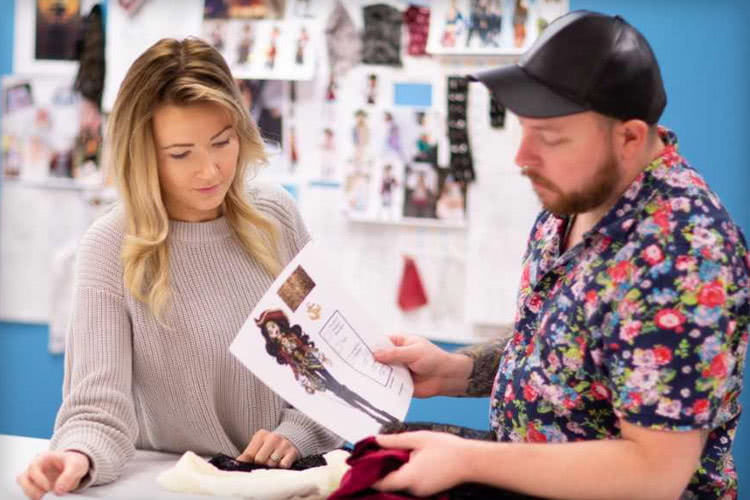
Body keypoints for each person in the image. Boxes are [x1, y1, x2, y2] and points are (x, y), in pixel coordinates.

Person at [373, 11, 749, 500]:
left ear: (630, 137)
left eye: (550, 139)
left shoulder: (685, 254)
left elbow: (654, 472)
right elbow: (559, 342)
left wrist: (468, 458)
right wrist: (455, 370)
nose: (523, 158)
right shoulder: (576, 195)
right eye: (524, 130)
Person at [16, 37, 341, 500]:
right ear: (143, 153)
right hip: (169, 488)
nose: (209, 170)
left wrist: (296, 434)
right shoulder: (110, 247)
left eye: (221, 142)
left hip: (283, 485)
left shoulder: (276, 217)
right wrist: (75, 458)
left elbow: (324, 362)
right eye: (181, 153)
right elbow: (97, 409)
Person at [256, 309, 399, 427]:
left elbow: (305, 347)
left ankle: (375, 412)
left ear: (279, 324)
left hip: (313, 361)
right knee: (337, 393)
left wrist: (320, 355)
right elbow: (293, 366)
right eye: (269, 330)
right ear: (268, 336)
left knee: (341, 389)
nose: (273, 330)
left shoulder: (292, 335)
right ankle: (372, 414)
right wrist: (301, 380)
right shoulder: (280, 349)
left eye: (273, 326)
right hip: (308, 373)